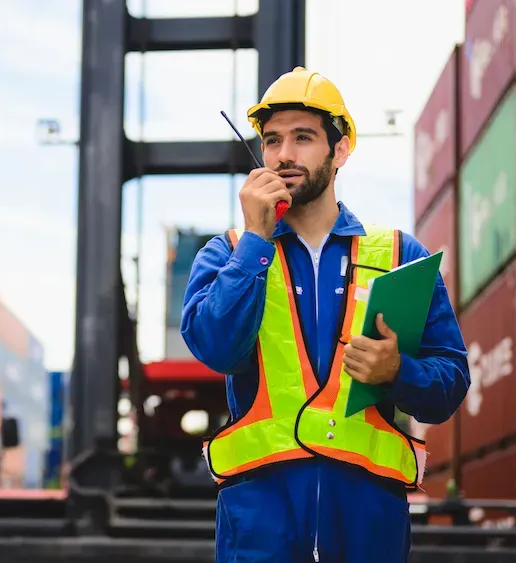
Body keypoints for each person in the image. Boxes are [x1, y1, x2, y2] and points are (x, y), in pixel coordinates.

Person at [180, 66, 470, 563]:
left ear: (341, 150)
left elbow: (450, 384)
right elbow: (217, 348)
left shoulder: (400, 255)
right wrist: (256, 240)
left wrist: (398, 371)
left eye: (303, 137)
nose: (284, 154)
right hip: (260, 525)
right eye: (272, 140)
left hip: (367, 525)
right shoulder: (228, 253)